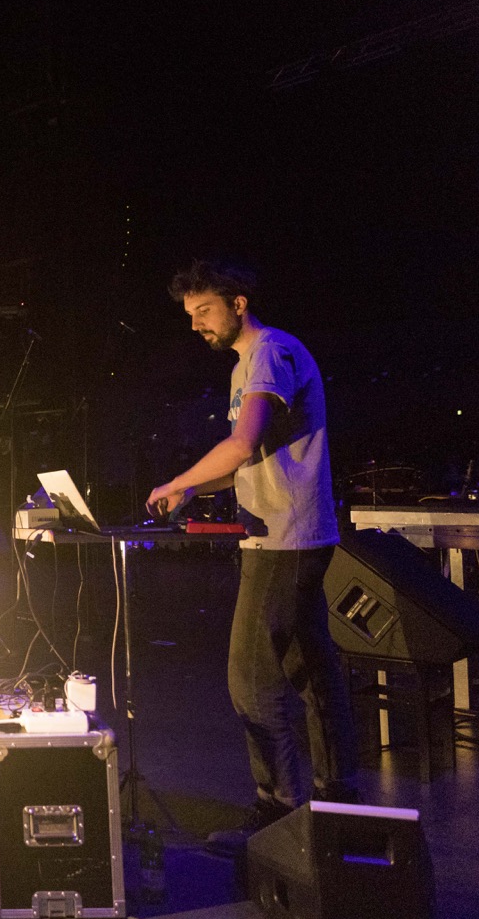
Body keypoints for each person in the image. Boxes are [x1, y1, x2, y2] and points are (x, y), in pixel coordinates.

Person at [145, 259, 359, 838]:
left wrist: (176, 483)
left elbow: (241, 444)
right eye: (190, 316)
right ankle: (338, 799)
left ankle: (277, 809)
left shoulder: (269, 353)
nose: (196, 326)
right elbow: (251, 452)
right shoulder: (249, 363)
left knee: (250, 680)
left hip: (284, 538)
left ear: (238, 303)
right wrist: (189, 488)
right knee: (311, 669)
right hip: (291, 534)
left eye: (204, 311)